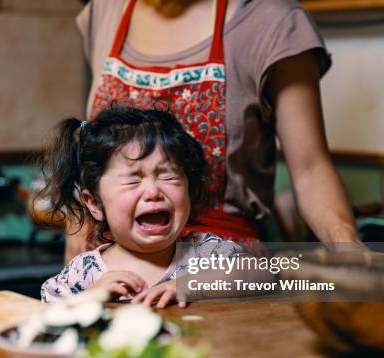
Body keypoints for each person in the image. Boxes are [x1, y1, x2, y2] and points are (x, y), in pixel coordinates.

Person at [64, 0, 359, 262]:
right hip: (109, 266)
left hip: (218, 267)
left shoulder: (272, 23)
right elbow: (94, 153)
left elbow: (310, 170)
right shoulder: (106, 10)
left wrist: (349, 248)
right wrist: (76, 241)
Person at [40, 106, 248, 308]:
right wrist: (89, 297)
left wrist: (189, 285)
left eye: (168, 175)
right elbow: (46, 311)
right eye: (132, 180)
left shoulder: (204, 253)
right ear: (95, 204)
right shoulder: (85, 272)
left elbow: (260, 273)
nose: (153, 192)